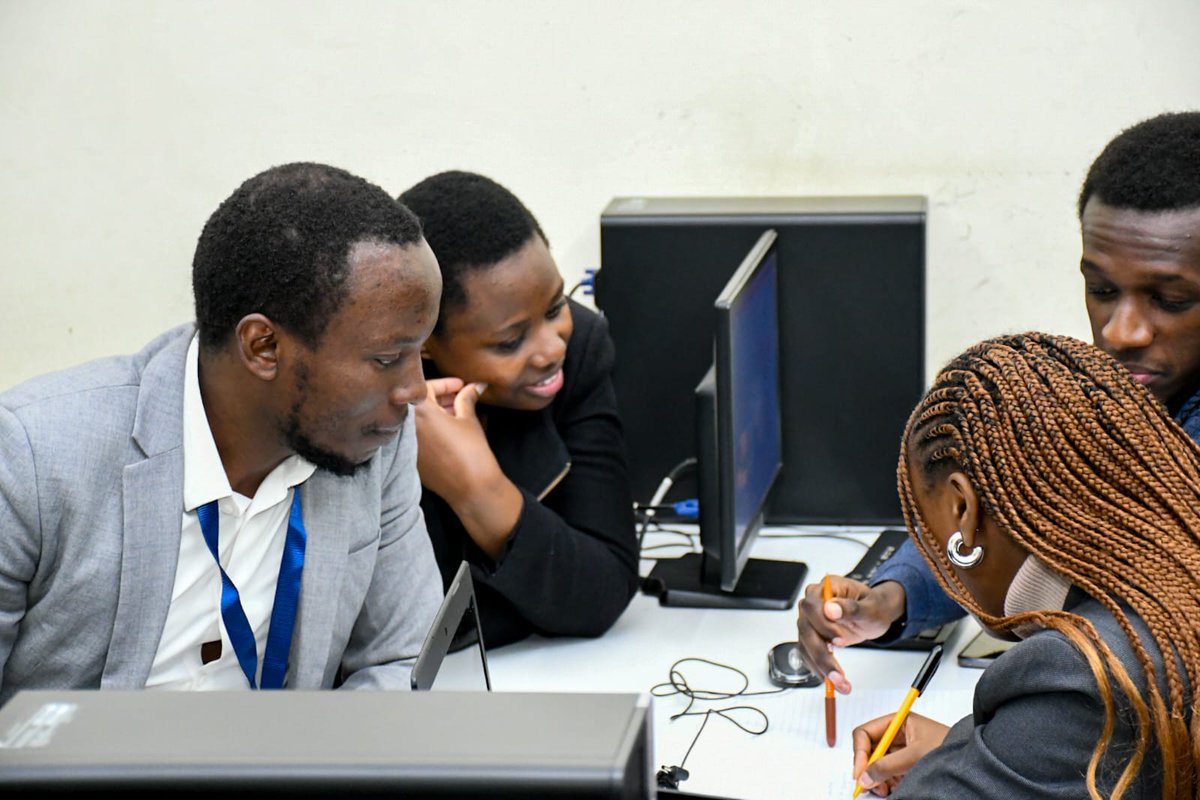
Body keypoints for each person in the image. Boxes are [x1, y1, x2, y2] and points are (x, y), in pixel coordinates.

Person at [0, 162, 445, 703]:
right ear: (262, 347)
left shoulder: (377, 438)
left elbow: (401, 658)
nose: (415, 390)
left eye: (419, 354)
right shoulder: (31, 457)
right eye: (386, 358)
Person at [797, 110, 1200, 691]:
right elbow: (1021, 520)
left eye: (1168, 298)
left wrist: (967, 746)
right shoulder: (1121, 396)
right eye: (1102, 290)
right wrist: (891, 597)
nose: (1121, 331)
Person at [851, 332, 1197, 798]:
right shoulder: (1172, 574)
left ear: (962, 510)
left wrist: (965, 766)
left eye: (927, 528)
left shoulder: (1077, 674)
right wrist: (969, 749)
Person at [397, 170, 639, 648]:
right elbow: (422, 630)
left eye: (554, 308)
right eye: (510, 341)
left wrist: (476, 487)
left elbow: (605, 587)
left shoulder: (582, 348)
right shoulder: (374, 406)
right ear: (423, 344)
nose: (550, 348)